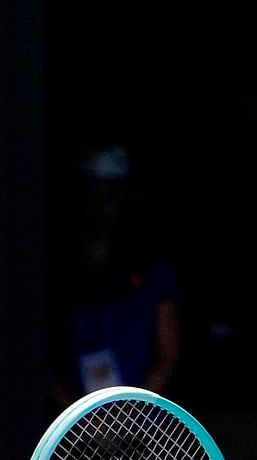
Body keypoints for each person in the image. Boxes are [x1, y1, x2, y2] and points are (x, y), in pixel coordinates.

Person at [44, 144, 182, 415]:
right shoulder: (51, 268)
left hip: (140, 428)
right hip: (69, 427)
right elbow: (37, 357)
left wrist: (126, 416)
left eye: (109, 194)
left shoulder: (153, 268)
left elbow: (168, 354)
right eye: (91, 193)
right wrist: (76, 417)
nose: (100, 205)